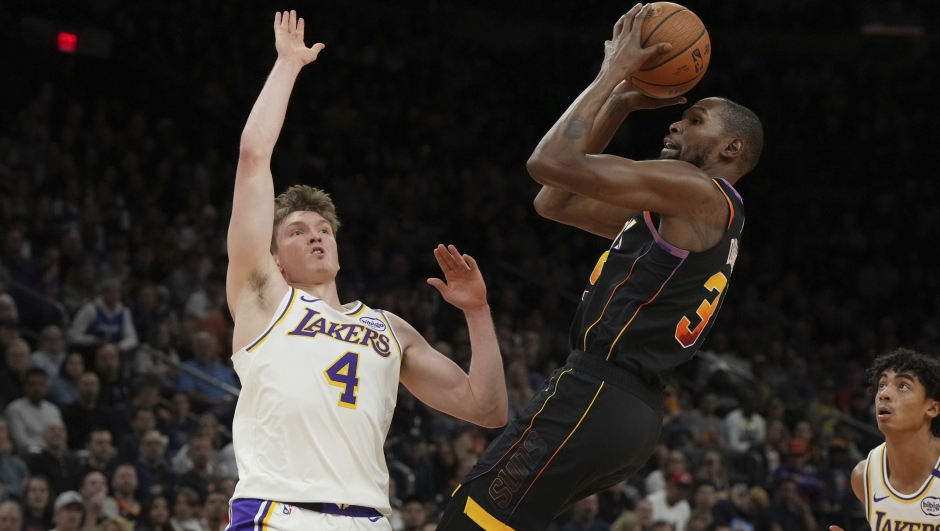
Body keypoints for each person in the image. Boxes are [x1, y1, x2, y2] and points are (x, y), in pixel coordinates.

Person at [439, 5, 762, 530]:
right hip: (627, 412)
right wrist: (617, 107)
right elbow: (555, 201)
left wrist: (611, 70)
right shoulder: (688, 215)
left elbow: (547, 162)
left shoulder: (696, 189)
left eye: (697, 120)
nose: (678, 120)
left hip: (596, 394)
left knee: (468, 520)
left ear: (731, 148)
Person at [225, 10, 506, 531]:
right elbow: (252, 156)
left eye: (323, 229)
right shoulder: (262, 297)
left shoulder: (389, 328)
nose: (315, 235)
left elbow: (487, 409)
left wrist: (478, 313)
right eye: (296, 231)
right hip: (279, 514)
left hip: (370, 520)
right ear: (274, 256)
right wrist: (288, 64)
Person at [829, 349, 940, 531]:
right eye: (882, 385)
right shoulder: (863, 476)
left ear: (932, 408)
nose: (884, 394)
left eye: (902, 386)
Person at [67, 278, 139, 353]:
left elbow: (132, 339)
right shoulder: (90, 310)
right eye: (110, 291)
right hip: (91, 351)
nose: (113, 295)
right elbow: (73, 335)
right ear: (102, 293)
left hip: (115, 352)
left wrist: (118, 347)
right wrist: (94, 341)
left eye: (116, 292)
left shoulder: (124, 312)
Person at [5, 367, 63, 451]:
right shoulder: (15, 409)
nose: (37, 388)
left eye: (40, 384)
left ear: (46, 387)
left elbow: (60, 436)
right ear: (25, 387)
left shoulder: (53, 409)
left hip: (52, 453)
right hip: (29, 454)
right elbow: (20, 441)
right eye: (32, 384)